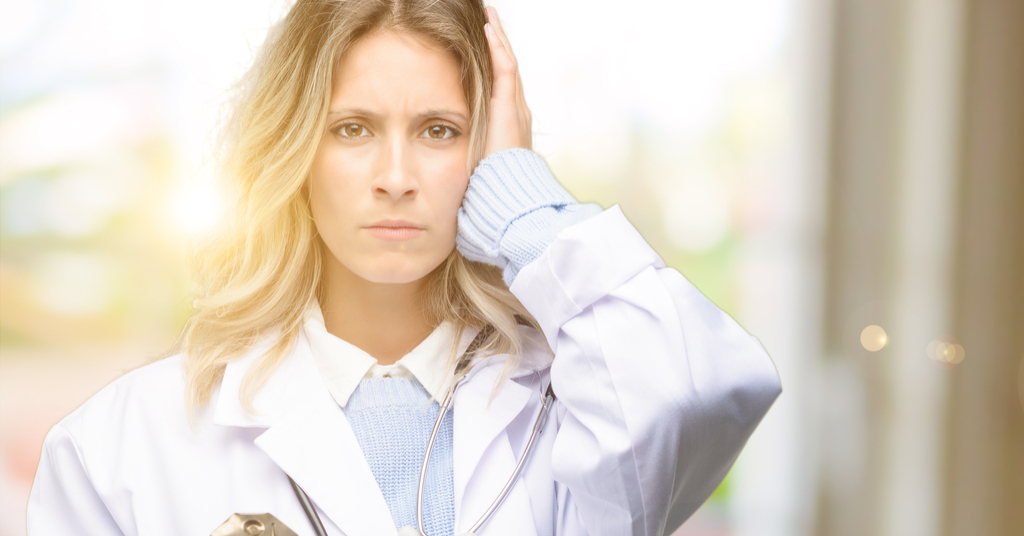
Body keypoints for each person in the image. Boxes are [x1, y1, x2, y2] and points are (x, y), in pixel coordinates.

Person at [26, 1, 782, 535]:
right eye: (353, 128)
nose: (396, 175)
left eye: (438, 131)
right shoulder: (125, 442)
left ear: (488, 149)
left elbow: (703, 389)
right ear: (295, 153)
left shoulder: (572, 404)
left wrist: (526, 214)